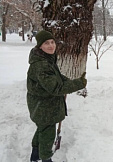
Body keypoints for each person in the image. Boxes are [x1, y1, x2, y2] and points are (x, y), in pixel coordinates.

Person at [27, 30, 87, 162]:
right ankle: (45, 158)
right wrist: (78, 84)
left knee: (42, 129)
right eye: (46, 43)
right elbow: (56, 87)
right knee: (47, 134)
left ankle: (35, 156)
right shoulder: (41, 65)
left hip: (43, 105)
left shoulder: (46, 59)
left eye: (52, 42)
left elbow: (57, 78)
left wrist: (70, 82)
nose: (51, 46)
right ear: (40, 46)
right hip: (43, 107)